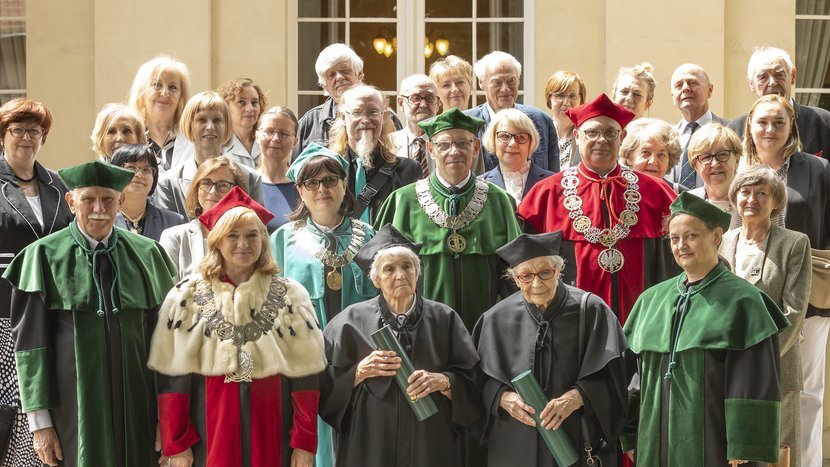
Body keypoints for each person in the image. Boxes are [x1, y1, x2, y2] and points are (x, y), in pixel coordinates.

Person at [3, 161, 176, 466]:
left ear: (121, 201)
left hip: (139, 408)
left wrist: (168, 416)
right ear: (71, 202)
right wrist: (40, 423)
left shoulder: (148, 254)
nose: (99, 208)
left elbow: (166, 344)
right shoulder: (42, 256)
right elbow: (31, 348)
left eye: (108, 199)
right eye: (88, 199)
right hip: (71, 409)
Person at [148, 187, 326, 467]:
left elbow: (305, 376)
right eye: (233, 235)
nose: (243, 243)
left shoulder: (291, 295)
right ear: (216, 241)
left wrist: (303, 443)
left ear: (263, 240)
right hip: (210, 431)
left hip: (273, 431)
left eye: (251, 235)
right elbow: (173, 378)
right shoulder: (186, 296)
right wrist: (177, 443)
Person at [623, 191, 788, 465]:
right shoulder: (651, 300)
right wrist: (629, 433)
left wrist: (744, 444)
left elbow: (754, 380)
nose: (681, 246)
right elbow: (636, 377)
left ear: (716, 237)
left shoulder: (744, 301)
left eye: (691, 236)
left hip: (715, 439)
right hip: (655, 437)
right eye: (674, 239)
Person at [320, 225, 480, 466]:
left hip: (429, 444)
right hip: (369, 444)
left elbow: (474, 383)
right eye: (389, 269)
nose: (400, 275)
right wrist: (357, 373)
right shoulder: (347, 324)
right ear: (375, 279)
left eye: (407, 266)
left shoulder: (444, 319)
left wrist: (444, 382)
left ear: (418, 272)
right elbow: (322, 389)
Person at [519, 94, 679, 325]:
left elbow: (671, 265)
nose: (601, 140)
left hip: (643, 320)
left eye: (610, 133)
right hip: (570, 323)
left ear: (622, 137)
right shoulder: (546, 194)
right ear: (576, 136)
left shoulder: (655, 192)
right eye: (592, 133)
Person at [473, 232, 629, 466]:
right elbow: (475, 381)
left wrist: (578, 396)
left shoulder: (592, 310)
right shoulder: (494, 319)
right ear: (515, 279)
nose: (536, 284)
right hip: (513, 445)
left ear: (558, 270)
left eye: (545, 272)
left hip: (574, 440)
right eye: (526, 276)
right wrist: (502, 398)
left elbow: (618, 376)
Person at [270, 144, 378, 467]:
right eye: (312, 182)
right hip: (305, 363)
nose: (322, 189)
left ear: (345, 185)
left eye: (331, 180)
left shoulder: (369, 235)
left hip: (359, 363)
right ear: (299, 190)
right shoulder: (282, 240)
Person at [741, 93, 830, 466]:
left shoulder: (817, 170)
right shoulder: (737, 166)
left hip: (806, 297)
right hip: (748, 295)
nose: (770, 129)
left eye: (779, 122)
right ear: (750, 126)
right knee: (748, 389)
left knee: (806, 392)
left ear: (792, 127)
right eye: (762, 122)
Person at [375, 108, 521, 331]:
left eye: (463, 143)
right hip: (420, 331)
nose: (454, 151)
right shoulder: (402, 201)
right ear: (431, 149)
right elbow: (379, 277)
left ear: (475, 148)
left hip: (485, 329)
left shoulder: (499, 201)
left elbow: (515, 277)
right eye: (444, 145)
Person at [721, 165, 812, 467]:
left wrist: (762, 356)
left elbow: (794, 312)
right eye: (745, 192)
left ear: (776, 201)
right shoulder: (722, 241)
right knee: (735, 448)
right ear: (735, 198)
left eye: (762, 193)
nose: (752, 199)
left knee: (778, 449)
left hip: (777, 364)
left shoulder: (795, 243)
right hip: (727, 366)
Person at [0, 98, 72, 467]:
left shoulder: (57, 184)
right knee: (10, 410)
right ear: (4, 135)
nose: (27, 137)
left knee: (46, 405)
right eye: (18, 129)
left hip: (52, 311)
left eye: (35, 130)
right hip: (5, 314)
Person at [155, 91, 263, 218]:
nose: (210, 126)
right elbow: (168, 232)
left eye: (217, 120)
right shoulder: (168, 183)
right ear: (189, 126)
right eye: (201, 120)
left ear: (227, 127)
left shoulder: (250, 178)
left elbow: (257, 231)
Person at [327, 85, 421, 224]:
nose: (365, 120)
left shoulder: (407, 170)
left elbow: (413, 224)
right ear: (343, 118)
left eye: (373, 112)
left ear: (383, 117)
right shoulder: (328, 169)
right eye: (357, 112)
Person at [293, 43, 402, 158]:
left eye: (345, 71)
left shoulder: (386, 116)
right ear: (324, 85)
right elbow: (295, 172)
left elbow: (399, 162)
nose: (339, 77)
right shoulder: (309, 123)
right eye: (331, 74)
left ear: (360, 75)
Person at [729, 46, 830, 162]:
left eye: (779, 74)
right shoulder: (736, 129)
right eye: (763, 77)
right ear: (751, 84)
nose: (772, 82)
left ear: (792, 76)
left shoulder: (823, 122)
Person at [465, 51, 559, 173]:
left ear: (518, 81)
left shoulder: (541, 120)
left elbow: (554, 178)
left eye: (511, 81)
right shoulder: (468, 124)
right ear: (481, 83)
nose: (505, 89)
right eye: (497, 82)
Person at [159, 156, 250, 282]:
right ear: (196, 189)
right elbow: (168, 294)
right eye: (206, 183)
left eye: (222, 185)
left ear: (237, 192)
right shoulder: (174, 237)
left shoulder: (251, 238)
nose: (213, 191)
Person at [667, 64, 729, 189]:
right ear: (673, 96)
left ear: (709, 90)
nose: (685, 88)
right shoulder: (667, 137)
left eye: (693, 83)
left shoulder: (730, 130)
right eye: (679, 85)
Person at [126, 55, 191, 172]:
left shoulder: (192, 137)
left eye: (173, 87)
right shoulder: (128, 135)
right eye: (157, 85)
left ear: (181, 96)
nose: (165, 93)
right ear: (142, 91)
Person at [110, 144, 185, 240]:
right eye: (131, 168)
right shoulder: (103, 221)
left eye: (146, 170)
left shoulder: (174, 221)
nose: (139, 174)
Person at [479, 108, 554, 203]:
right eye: (505, 136)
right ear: (493, 140)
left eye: (521, 137)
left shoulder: (552, 182)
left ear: (531, 142)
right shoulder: (479, 186)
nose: (513, 143)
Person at [257, 106, 300, 233]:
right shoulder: (246, 183)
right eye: (269, 131)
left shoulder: (305, 186)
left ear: (295, 141)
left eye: (284, 134)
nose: (275, 138)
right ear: (257, 136)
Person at [390, 74, 441, 178]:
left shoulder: (450, 144)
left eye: (430, 98)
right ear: (400, 103)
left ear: (438, 104)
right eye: (415, 98)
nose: (423, 104)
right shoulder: (387, 145)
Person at [685, 122, 741, 214]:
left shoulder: (751, 203)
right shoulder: (686, 205)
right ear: (695, 165)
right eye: (706, 157)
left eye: (723, 154)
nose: (715, 164)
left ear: (737, 159)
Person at [618, 118, 683, 192]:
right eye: (646, 152)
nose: (653, 161)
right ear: (629, 156)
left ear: (669, 160)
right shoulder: (614, 191)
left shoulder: (681, 196)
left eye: (661, 155)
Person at [219, 77, 267, 168]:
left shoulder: (269, 140)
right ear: (226, 107)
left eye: (254, 103)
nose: (250, 109)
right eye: (241, 102)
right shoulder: (219, 146)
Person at [544, 70, 587, 169]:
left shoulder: (586, 135)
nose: (566, 102)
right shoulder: (540, 134)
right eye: (560, 96)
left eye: (572, 96)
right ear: (549, 99)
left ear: (581, 100)